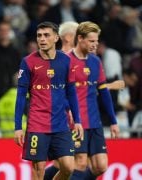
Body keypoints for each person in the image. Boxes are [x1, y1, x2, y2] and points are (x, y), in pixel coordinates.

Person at [14, 21, 83, 180]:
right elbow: (20, 96)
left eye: (46, 35)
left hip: (60, 124)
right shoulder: (28, 62)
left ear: (56, 38)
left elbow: (71, 92)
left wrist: (78, 120)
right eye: (39, 36)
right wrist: (18, 127)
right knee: (38, 170)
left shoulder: (66, 61)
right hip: (37, 124)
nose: (42, 39)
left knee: (68, 167)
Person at [68, 21, 120, 179]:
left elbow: (103, 92)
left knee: (100, 166)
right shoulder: (66, 60)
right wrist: (66, 109)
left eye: (97, 41)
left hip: (94, 121)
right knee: (81, 162)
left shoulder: (96, 61)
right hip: (75, 121)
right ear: (80, 38)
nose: (95, 44)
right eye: (91, 41)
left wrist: (113, 121)